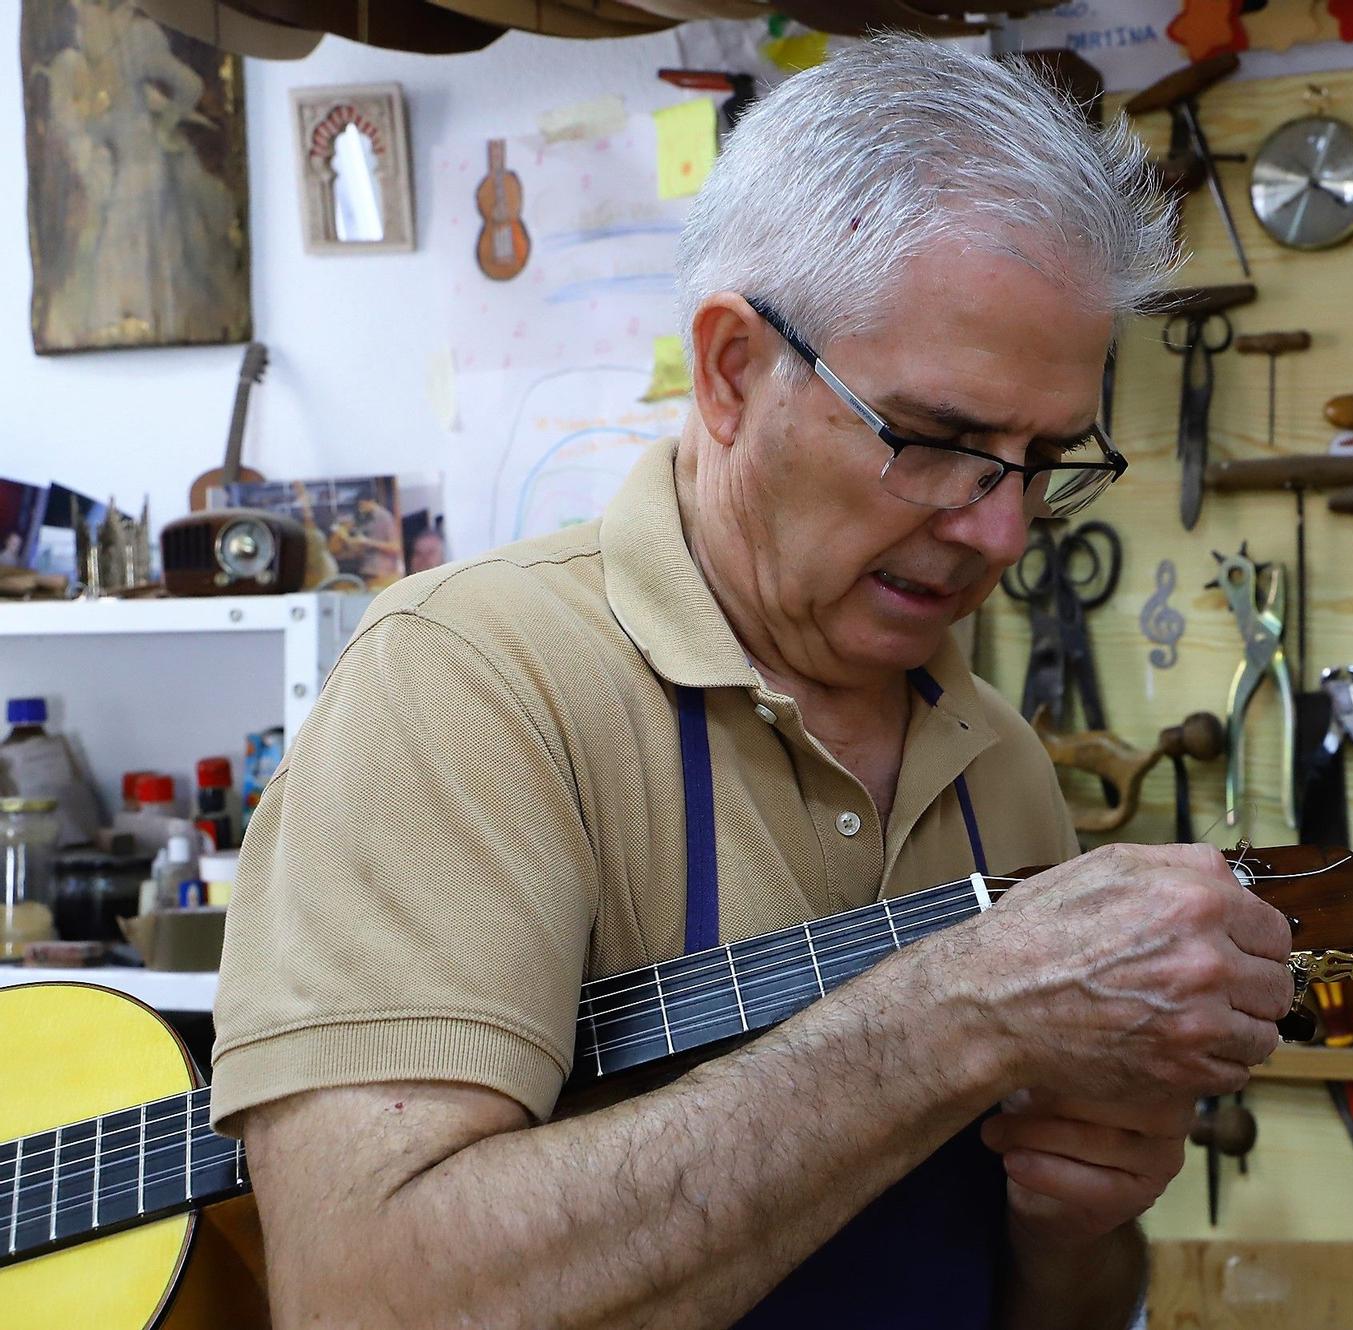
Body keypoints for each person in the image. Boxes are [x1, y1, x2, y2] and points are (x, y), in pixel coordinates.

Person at [211, 36, 1294, 1330]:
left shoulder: (994, 759)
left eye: (1046, 456)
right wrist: (953, 1017)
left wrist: (1079, 1226)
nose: (1002, 532)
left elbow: (1053, 1307)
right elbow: (364, 1301)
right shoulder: (471, 688)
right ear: (731, 370)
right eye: (942, 441)